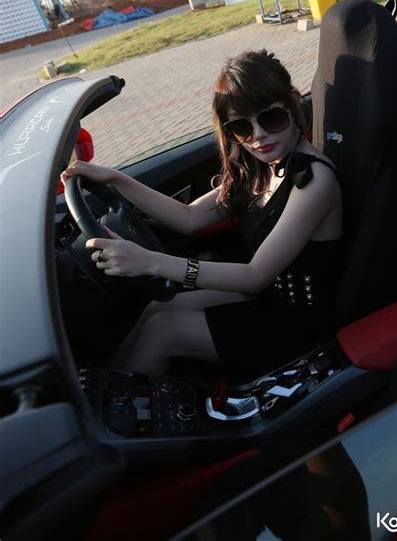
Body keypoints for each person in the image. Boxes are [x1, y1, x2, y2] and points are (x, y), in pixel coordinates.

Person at [61, 50, 342, 376]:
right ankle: (102, 394)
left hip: (299, 320)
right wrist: (115, 178)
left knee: (164, 332)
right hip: (267, 296)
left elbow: (256, 275)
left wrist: (149, 261)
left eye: (271, 118)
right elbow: (189, 217)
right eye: (241, 127)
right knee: (156, 309)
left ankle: (116, 407)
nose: (258, 135)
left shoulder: (314, 180)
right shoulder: (263, 166)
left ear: (293, 104)